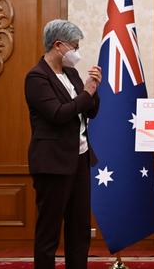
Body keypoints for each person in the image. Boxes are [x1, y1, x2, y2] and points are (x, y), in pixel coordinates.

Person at [24, 19, 102, 269]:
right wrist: (86, 93)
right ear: (58, 45)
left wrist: (94, 90)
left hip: (79, 158)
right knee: (49, 231)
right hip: (52, 163)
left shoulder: (71, 73)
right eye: (75, 46)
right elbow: (58, 114)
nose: (77, 52)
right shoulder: (36, 77)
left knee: (79, 228)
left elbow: (90, 112)